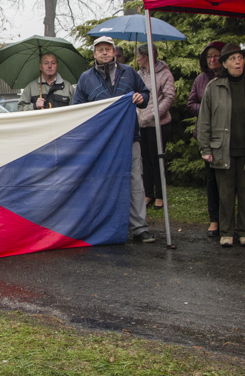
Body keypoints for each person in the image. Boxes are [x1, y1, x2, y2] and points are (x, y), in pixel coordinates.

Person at [72, 36, 154, 243]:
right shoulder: (85, 78)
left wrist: (141, 98)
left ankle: (139, 228)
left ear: (114, 51)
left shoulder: (129, 72)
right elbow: (77, 109)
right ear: (94, 53)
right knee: (100, 183)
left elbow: (145, 94)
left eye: (108, 49)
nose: (104, 52)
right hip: (100, 143)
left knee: (135, 182)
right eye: (100, 49)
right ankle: (102, 227)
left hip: (129, 138)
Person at [197, 44, 245, 247]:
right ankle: (227, 232)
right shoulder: (214, 87)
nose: (238, 62)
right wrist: (205, 148)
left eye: (240, 58)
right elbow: (204, 120)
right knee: (225, 194)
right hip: (222, 149)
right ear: (224, 64)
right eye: (232, 59)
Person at [187, 41, 225, 238]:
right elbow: (191, 103)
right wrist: (207, 110)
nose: (212, 59)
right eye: (209, 56)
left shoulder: (232, 78)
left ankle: (229, 219)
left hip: (227, 134)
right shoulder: (201, 79)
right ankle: (214, 219)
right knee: (212, 179)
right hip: (207, 133)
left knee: (229, 180)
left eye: (216, 55)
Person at [135, 44, 174, 209]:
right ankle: (148, 193)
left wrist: (154, 114)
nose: (137, 59)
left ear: (146, 57)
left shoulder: (164, 73)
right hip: (141, 124)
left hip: (158, 124)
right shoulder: (139, 74)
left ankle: (160, 195)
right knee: (144, 161)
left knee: (157, 160)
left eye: (139, 56)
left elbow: (169, 96)